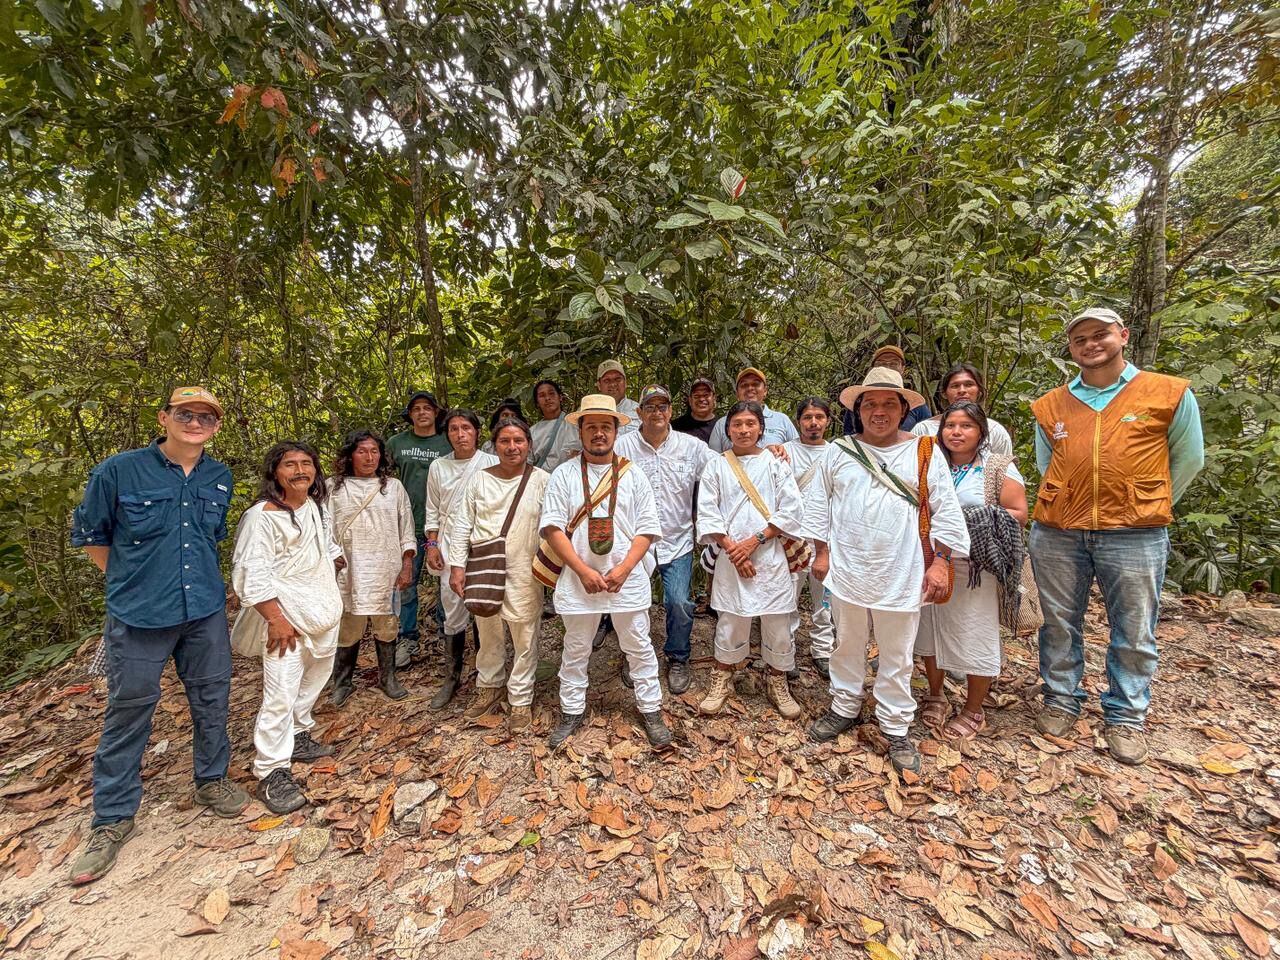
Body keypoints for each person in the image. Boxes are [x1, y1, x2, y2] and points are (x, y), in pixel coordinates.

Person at [68, 387, 249, 885]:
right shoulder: (120, 470)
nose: (195, 423)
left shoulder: (218, 475)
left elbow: (210, 538)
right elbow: (93, 537)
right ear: (165, 417)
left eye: (205, 417)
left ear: (215, 426)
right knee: (129, 710)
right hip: (140, 614)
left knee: (213, 698)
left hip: (204, 610)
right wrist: (134, 582)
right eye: (186, 414)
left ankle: (211, 781)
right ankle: (112, 819)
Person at [1029, 307, 1204, 765]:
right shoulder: (1052, 404)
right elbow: (1047, 464)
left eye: (1100, 334)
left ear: (1122, 336)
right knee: (1058, 620)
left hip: (1135, 533)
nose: (1091, 344)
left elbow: (1188, 461)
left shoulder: (1166, 392)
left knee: (1133, 627)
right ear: (1071, 348)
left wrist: (1146, 502)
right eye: (1080, 338)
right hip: (1059, 530)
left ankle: (1126, 714)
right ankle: (1061, 698)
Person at [804, 367, 969, 774]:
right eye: (871, 404)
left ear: (903, 409)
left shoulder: (925, 451)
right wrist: (821, 553)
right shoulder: (838, 452)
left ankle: (896, 725)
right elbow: (818, 506)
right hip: (848, 568)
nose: (880, 412)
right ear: (859, 410)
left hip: (904, 569)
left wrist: (942, 563)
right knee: (846, 643)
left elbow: (946, 510)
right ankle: (844, 706)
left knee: (897, 654)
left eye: (889, 404)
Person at [539, 394, 671, 748]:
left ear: (616, 431)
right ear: (581, 432)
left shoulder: (634, 475)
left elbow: (647, 529)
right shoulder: (564, 475)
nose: (599, 434)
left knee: (639, 646)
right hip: (579, 579)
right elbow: (552, 528)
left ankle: (650, 709)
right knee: (576, 647)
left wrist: (625, 569)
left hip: (624, 581)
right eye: (592, 427)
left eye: (606, 427)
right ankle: (571, 710)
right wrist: (582, 570)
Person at [231, 442, 344, 814]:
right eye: (290, 465)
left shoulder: (314, 507)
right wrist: (275, 619)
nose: (300, 471)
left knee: (317, 675)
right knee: (280, 692)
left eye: (306, 463)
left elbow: (326, 548)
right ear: (275, 473)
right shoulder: (261, 517)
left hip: (321, 610)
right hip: (286, 619)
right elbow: (251, 573)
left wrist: (334, 565)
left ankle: (297, 734)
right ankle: (271, 769)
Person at [914, 403, 1028, 739]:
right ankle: (935, 694)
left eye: (966, 426)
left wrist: (969, 521)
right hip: (931, 561)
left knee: (975, 632)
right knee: (931, 629)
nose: (956, 432)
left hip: (977, 566)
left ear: (981, 432)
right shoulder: (932, 463)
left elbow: (1019, 512)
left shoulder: (995, 468)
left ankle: (973, 709)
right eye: (950, 425)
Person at [697, 401, 806, 720]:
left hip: (770, 556)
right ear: (727, 429)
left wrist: (754, 541)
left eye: (749, 424)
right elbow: (708, 510)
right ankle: (721, 679)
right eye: (737, 424)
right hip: (731, 558)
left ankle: (778, 681)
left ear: (760, 427)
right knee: (731, 619)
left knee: (777, 621)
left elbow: (791, 507)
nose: (743, 430)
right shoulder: (717, 464)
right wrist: (734, 549)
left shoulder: (775, 463)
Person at [448, 417, 551, 732]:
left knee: (525, 634)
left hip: (524, 570)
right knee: (488, 630)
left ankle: (520, 698)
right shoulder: (479, 480)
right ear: (494, 445)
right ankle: (489, 686)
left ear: (528, 444)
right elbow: (462, 523)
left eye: (518, 440)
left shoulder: (542, 479)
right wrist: (457, 566)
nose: (512, 447)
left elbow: (553, 526)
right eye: (505, 441)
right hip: (485, 568)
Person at [616, 385, 716, 694]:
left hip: (677, 539)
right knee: (632, 604)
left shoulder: (692, 447)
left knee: (679, 602)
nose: (657, 412)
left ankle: (677, 658)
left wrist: (768, 452)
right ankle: (635, 656)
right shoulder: (623, 447)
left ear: (671, 411)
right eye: (650, 406)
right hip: (635, 541)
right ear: (639, 412)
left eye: (663, 406)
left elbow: (725, 467)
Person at [326, 431, 417, 706]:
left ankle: (387, 678)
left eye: (375, 451)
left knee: (386, 624)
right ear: (349, 455)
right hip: (349, 568)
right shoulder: (333, 487)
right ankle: (342, 682)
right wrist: (331, 555)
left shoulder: (393, 487)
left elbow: (406, 528)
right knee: (348, 625)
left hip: (385, 568)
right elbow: (321, 526)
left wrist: (407, 563)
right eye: (362, 451)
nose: (369, 457)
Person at [423, 408, 499, 708]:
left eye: (466, 428)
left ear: (477, 432)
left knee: (484, 608)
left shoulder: (491, 462)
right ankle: (452, 677)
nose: (460, 434)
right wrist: (431, 544)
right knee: (453, 611)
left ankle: (487, 675)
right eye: (453, 429)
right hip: (449, 545)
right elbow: (432, 509)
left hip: (484, 545)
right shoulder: (438, 467)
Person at [388, 390, 451, 666]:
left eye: (428, 407)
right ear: (410, 414)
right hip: (410, 523)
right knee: (407, 582)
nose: (422, 412)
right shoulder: (396, 443)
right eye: (416, 409)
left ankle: (446, 630)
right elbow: (384, 478)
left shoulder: (448, 440)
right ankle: (408, 636)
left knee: (446, 580)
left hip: (443, 525)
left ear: (436, 412)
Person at [782, 397, 835, 678]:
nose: (813, 423)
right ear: (798, 421)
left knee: (823, 602)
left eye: (819, 417)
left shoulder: (837, 453)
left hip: (825, 539)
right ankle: (786, 652)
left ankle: (823, 650)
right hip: (792, 538)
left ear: (828, 420)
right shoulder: (784, 451)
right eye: (807, 417)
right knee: (788, 600)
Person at [911, 363, 1013, 454]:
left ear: (979, 391)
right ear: (944, 393)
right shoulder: (924, 429)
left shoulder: (994, 430)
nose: (962, 390)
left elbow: (1005, 470)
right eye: (955, 386)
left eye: (969, 385)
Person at [842, 345, 932, 435]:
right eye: (881, 364)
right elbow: (849, 434)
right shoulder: (858, 401)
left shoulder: (918, 407)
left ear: (903, 368)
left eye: (893, 364)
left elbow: (928, 432)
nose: (887, 367)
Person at [708, 368, 799, 452]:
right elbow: (713, 458)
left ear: (765, 391)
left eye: (756, 384)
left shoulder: (782, 420)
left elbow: (796, 453)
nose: (750, 388)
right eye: (744, 385)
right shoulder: (722, 424)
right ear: (737, 393)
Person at [530, 379, 581, 471]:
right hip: (543, 483)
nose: (547, 398)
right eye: (542, 395)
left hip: (572, 479)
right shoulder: (532, 432)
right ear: (537, 403)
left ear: (560, 397)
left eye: (551, 393)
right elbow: (527, 462)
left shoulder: (575, 424)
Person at [596, 359, 640, 435]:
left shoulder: (639, 411)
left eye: (617, 379)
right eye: (607, 380)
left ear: (626, 383)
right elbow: (571, 445)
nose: (613, 384)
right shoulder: (585, 412)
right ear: (599, 385)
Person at [672, 377, 718, 443]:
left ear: (714, 398)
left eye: (706, 395)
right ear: (690, 400)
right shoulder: (675, 427)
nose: (701, 399)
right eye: (696, 396)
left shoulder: (723, 426)